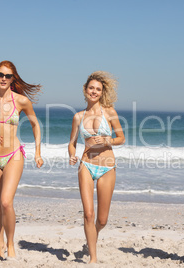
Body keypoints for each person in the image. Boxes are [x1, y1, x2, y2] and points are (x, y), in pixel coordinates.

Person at [0, 60, 43, 259]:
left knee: (6, 202)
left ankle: (11, 244)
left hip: (14, 155)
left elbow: (35, 125)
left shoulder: (21, 101)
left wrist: (38, 152)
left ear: (13, 79)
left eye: (8, 76)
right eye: (0, 74)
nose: (3, 78)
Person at [68, 71, 125, 263]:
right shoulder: (78, 116)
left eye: (98, 89)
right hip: (86, 164)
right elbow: (72, 142)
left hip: (107, 166)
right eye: (91, 88)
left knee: (101, 220)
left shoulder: (109, 112)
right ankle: (93, 259)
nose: (94, 92)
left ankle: (93, 237)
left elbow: (121, 138)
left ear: (102, 93)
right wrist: (72, 155)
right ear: (85, 90)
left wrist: (108, 139)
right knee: (88, 214)